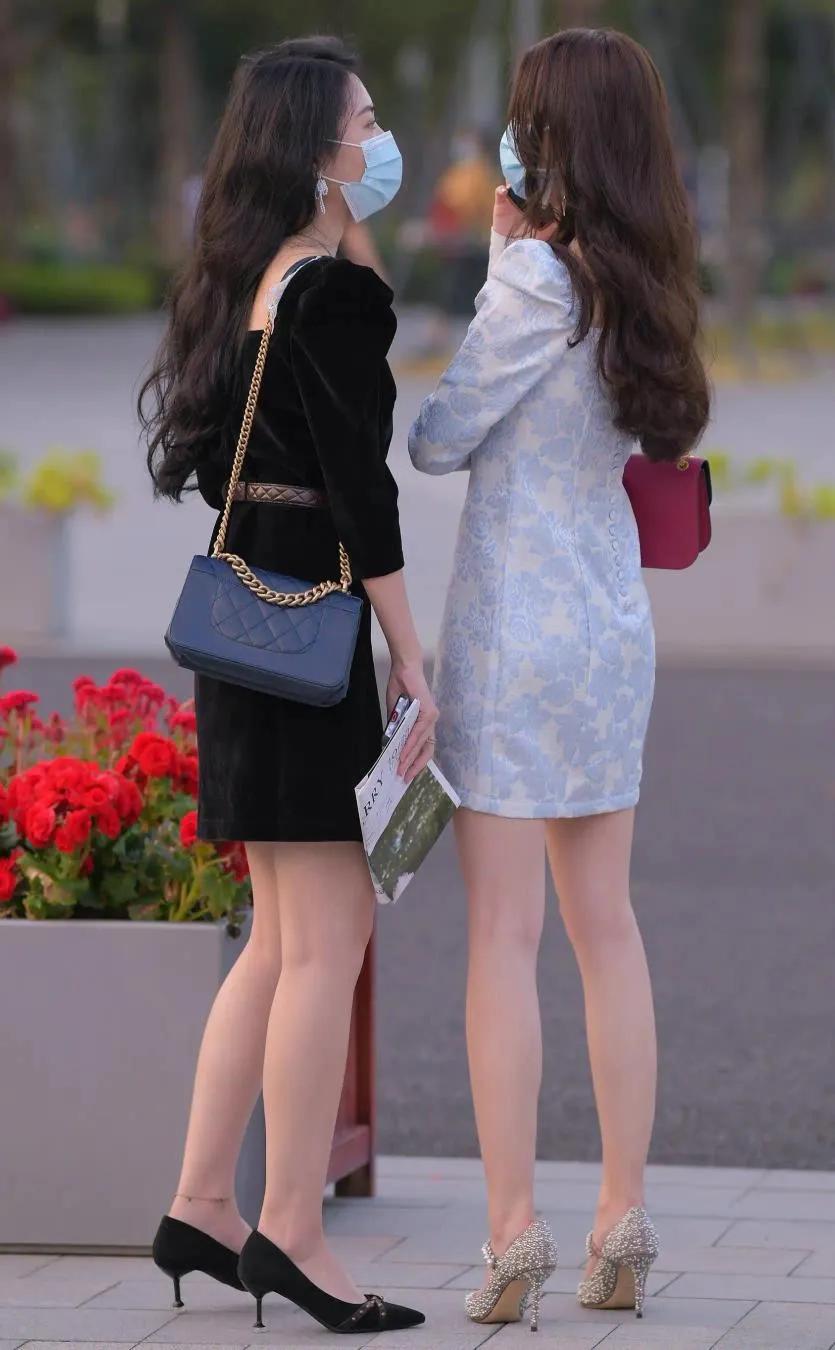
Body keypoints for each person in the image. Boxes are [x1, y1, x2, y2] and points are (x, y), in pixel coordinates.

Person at [409, 27, 709, 1333]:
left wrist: (497, 270)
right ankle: (622, 1217)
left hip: (511, 638)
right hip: (607, 632)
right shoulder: (648, 282)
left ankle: (512, 1230)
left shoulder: (536, 280)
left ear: (552, 142)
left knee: (503, 938)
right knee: (608, 929)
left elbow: (439, 438)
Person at [139, 36, 436, 1335]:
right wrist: (410, 652)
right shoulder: (334, 297)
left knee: (277, 938)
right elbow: (364, 491)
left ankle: (203, 1202)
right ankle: (294, 1232)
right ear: (318, 149)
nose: (380, 142)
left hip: (244, 640)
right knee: (328, 940)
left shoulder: (244, 285)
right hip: (315, 643)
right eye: (365, 124)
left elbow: (241, 473)